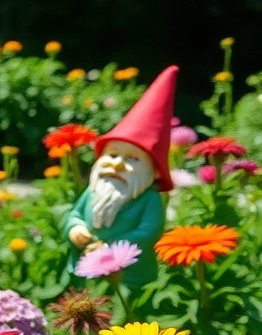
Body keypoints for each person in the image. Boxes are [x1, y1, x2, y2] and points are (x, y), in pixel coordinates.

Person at [64, 66, 177, 287]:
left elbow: (147, 233)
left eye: (132, 159)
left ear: (153, 170)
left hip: (131, 278)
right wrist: (74, 229)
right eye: (113, 154)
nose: (117, 164)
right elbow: (74, 215)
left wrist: (109, 249)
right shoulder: (94, 191)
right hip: (85, 274)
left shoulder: (149, 199)